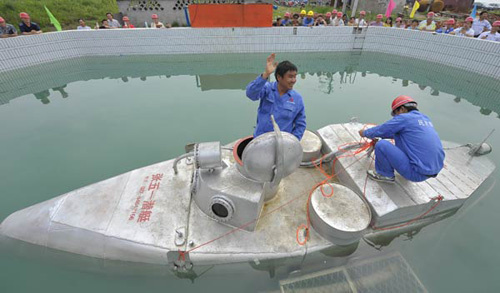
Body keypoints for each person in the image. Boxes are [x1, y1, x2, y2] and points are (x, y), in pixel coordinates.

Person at [358, 96, 444, 183]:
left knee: (381, 145)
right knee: (395, 137)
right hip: (430, 172)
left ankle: (385, 174)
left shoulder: (404, 118)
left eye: (396, 114)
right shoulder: (425, 119)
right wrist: (381, 135)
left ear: (402, 109)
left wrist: (364, 133)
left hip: (415, 173)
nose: (395, 117)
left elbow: (382, 130)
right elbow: (393, 133)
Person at [245, 53, 306, 140]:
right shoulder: (267, 89)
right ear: (279, 77)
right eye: (290, 77)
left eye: (295, 77)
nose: (293, 80)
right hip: (261, 140)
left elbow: (300, 124)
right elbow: (250, 94)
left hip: (282, 144)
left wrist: (293, 141)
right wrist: (265, 74)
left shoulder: (297, 99)